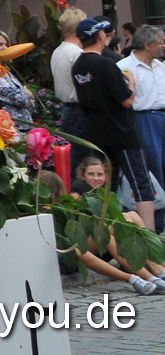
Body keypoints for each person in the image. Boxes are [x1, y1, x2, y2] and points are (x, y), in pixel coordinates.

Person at [72, 16, 157, 231]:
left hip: (96, 132)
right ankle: (149, 235)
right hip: (122, 132)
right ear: (101, 35)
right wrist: (131, 81)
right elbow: (126, 100)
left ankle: (107, 234)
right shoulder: (105, 63)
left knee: (104, 183)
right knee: (140, 182)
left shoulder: (78, 66)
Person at [68, 155, 165, 294]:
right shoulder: (77, 196)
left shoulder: (104, 194)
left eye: (100, 174)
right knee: (114, 226)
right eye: (91, 174)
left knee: (132, 216)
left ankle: (159, 267)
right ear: (83, 176)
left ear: (106, 176)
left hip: (106, 242)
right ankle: (151, 274)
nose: (96, 178)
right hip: (90, 245)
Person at [117, 23, 165, 228]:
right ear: (147, 44)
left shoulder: (160, 65)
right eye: (161, 42)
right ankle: (158, 221)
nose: (163, 46)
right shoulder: (125, 67)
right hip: (143, 119)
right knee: (153, 169)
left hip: (162, 117)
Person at [51, 6, 88, 160]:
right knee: (84, 157)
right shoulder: (76, 53)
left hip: (67, 108)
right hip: (79, 109)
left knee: (73, 157)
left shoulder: (58, 51)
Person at [0, 28, 38, 129]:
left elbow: (31, 104)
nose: (5, 48)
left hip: (24, 126)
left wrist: (27, 97)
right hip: (10, 127)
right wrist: (28, 94)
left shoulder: (6, 71)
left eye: (6, 44)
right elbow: (20, 99)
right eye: (0, 44)